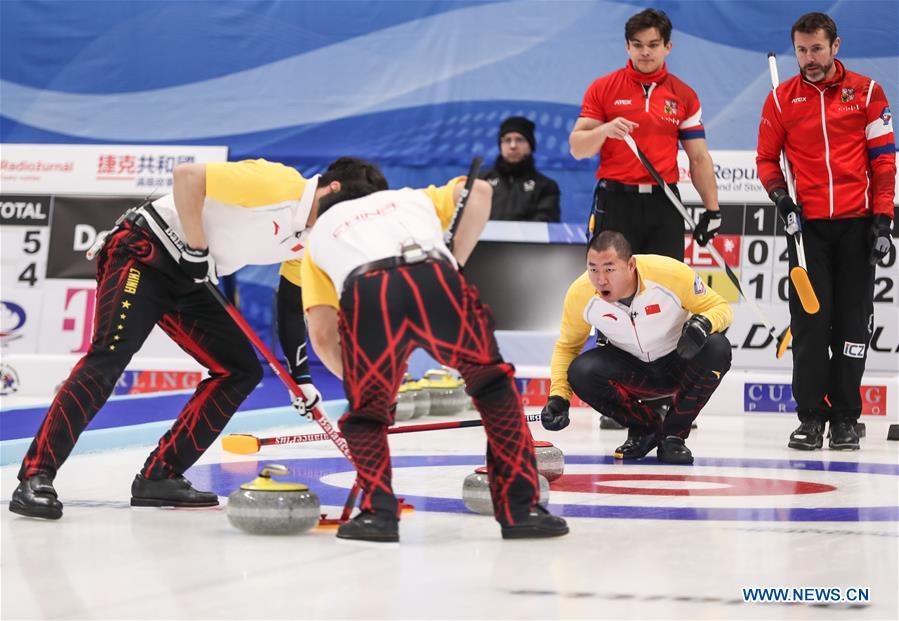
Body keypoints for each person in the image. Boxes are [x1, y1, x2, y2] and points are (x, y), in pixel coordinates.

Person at [9, 156, 386, 520]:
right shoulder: (280, 184)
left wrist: (300, 379)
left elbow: (290, 304)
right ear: (333, 189)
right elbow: (188, 177)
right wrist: (196, 246)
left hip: (192, 276)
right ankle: (35, 476)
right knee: (108, 358)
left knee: (239, 370)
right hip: (145, 251)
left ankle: (160, 475)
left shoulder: (309, 237)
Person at [300, 172, 569, 542]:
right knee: (493, 387)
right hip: (434, 274)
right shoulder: (411, 197)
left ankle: (378, 515)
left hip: (370, 291)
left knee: (366, 414)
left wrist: (366, 389)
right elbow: (482, 190)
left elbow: (322, 334)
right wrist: (454, 262)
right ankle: (520, 511)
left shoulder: (317, 236)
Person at [568, 8, 722, 431]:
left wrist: (712, 209)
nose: (646, 52)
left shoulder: (683, 95)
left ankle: (666, 398)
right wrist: (605, 130)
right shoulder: (604, 89)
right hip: (616, 201)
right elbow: (578, 147)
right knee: (608, 293)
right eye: (637, 45)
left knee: (666, 299)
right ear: (627, 47)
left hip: (663, 202)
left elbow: (699, 156)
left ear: (667, 46)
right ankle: (621, 397)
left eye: (654, 44)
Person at [756, 12, 895, 451]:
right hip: (807, 230)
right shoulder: (780, 100)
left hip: (858, 227)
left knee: (853, 327)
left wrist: (884, 220)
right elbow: (766, 161)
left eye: (816, 48)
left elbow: (885, 161)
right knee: (812, 325)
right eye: (801, 49)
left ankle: (846, 419)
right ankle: (811, 418)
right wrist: (780, 197)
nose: (809, 58)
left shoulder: (869, 92)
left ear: (836, 46)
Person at [539, 231, 733, 464]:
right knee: (581, 371)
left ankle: (673, 436)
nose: (600, 280)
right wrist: (558, 398)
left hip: (678, 360)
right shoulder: (580, 294)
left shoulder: (670, 274)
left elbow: (721, 308)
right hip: (632, 372)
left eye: (609, 269)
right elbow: (567, 348)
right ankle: (645, 428)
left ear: (631, 265)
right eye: (593, 269)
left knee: (717, 347)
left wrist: (704, 323)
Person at [479, 116, 561, 222]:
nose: (513, 146)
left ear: (531, 146)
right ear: (500, 145)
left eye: (519, 140)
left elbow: (546, 222)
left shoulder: (546, 187)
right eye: (507, 140)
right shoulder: (481, 180)